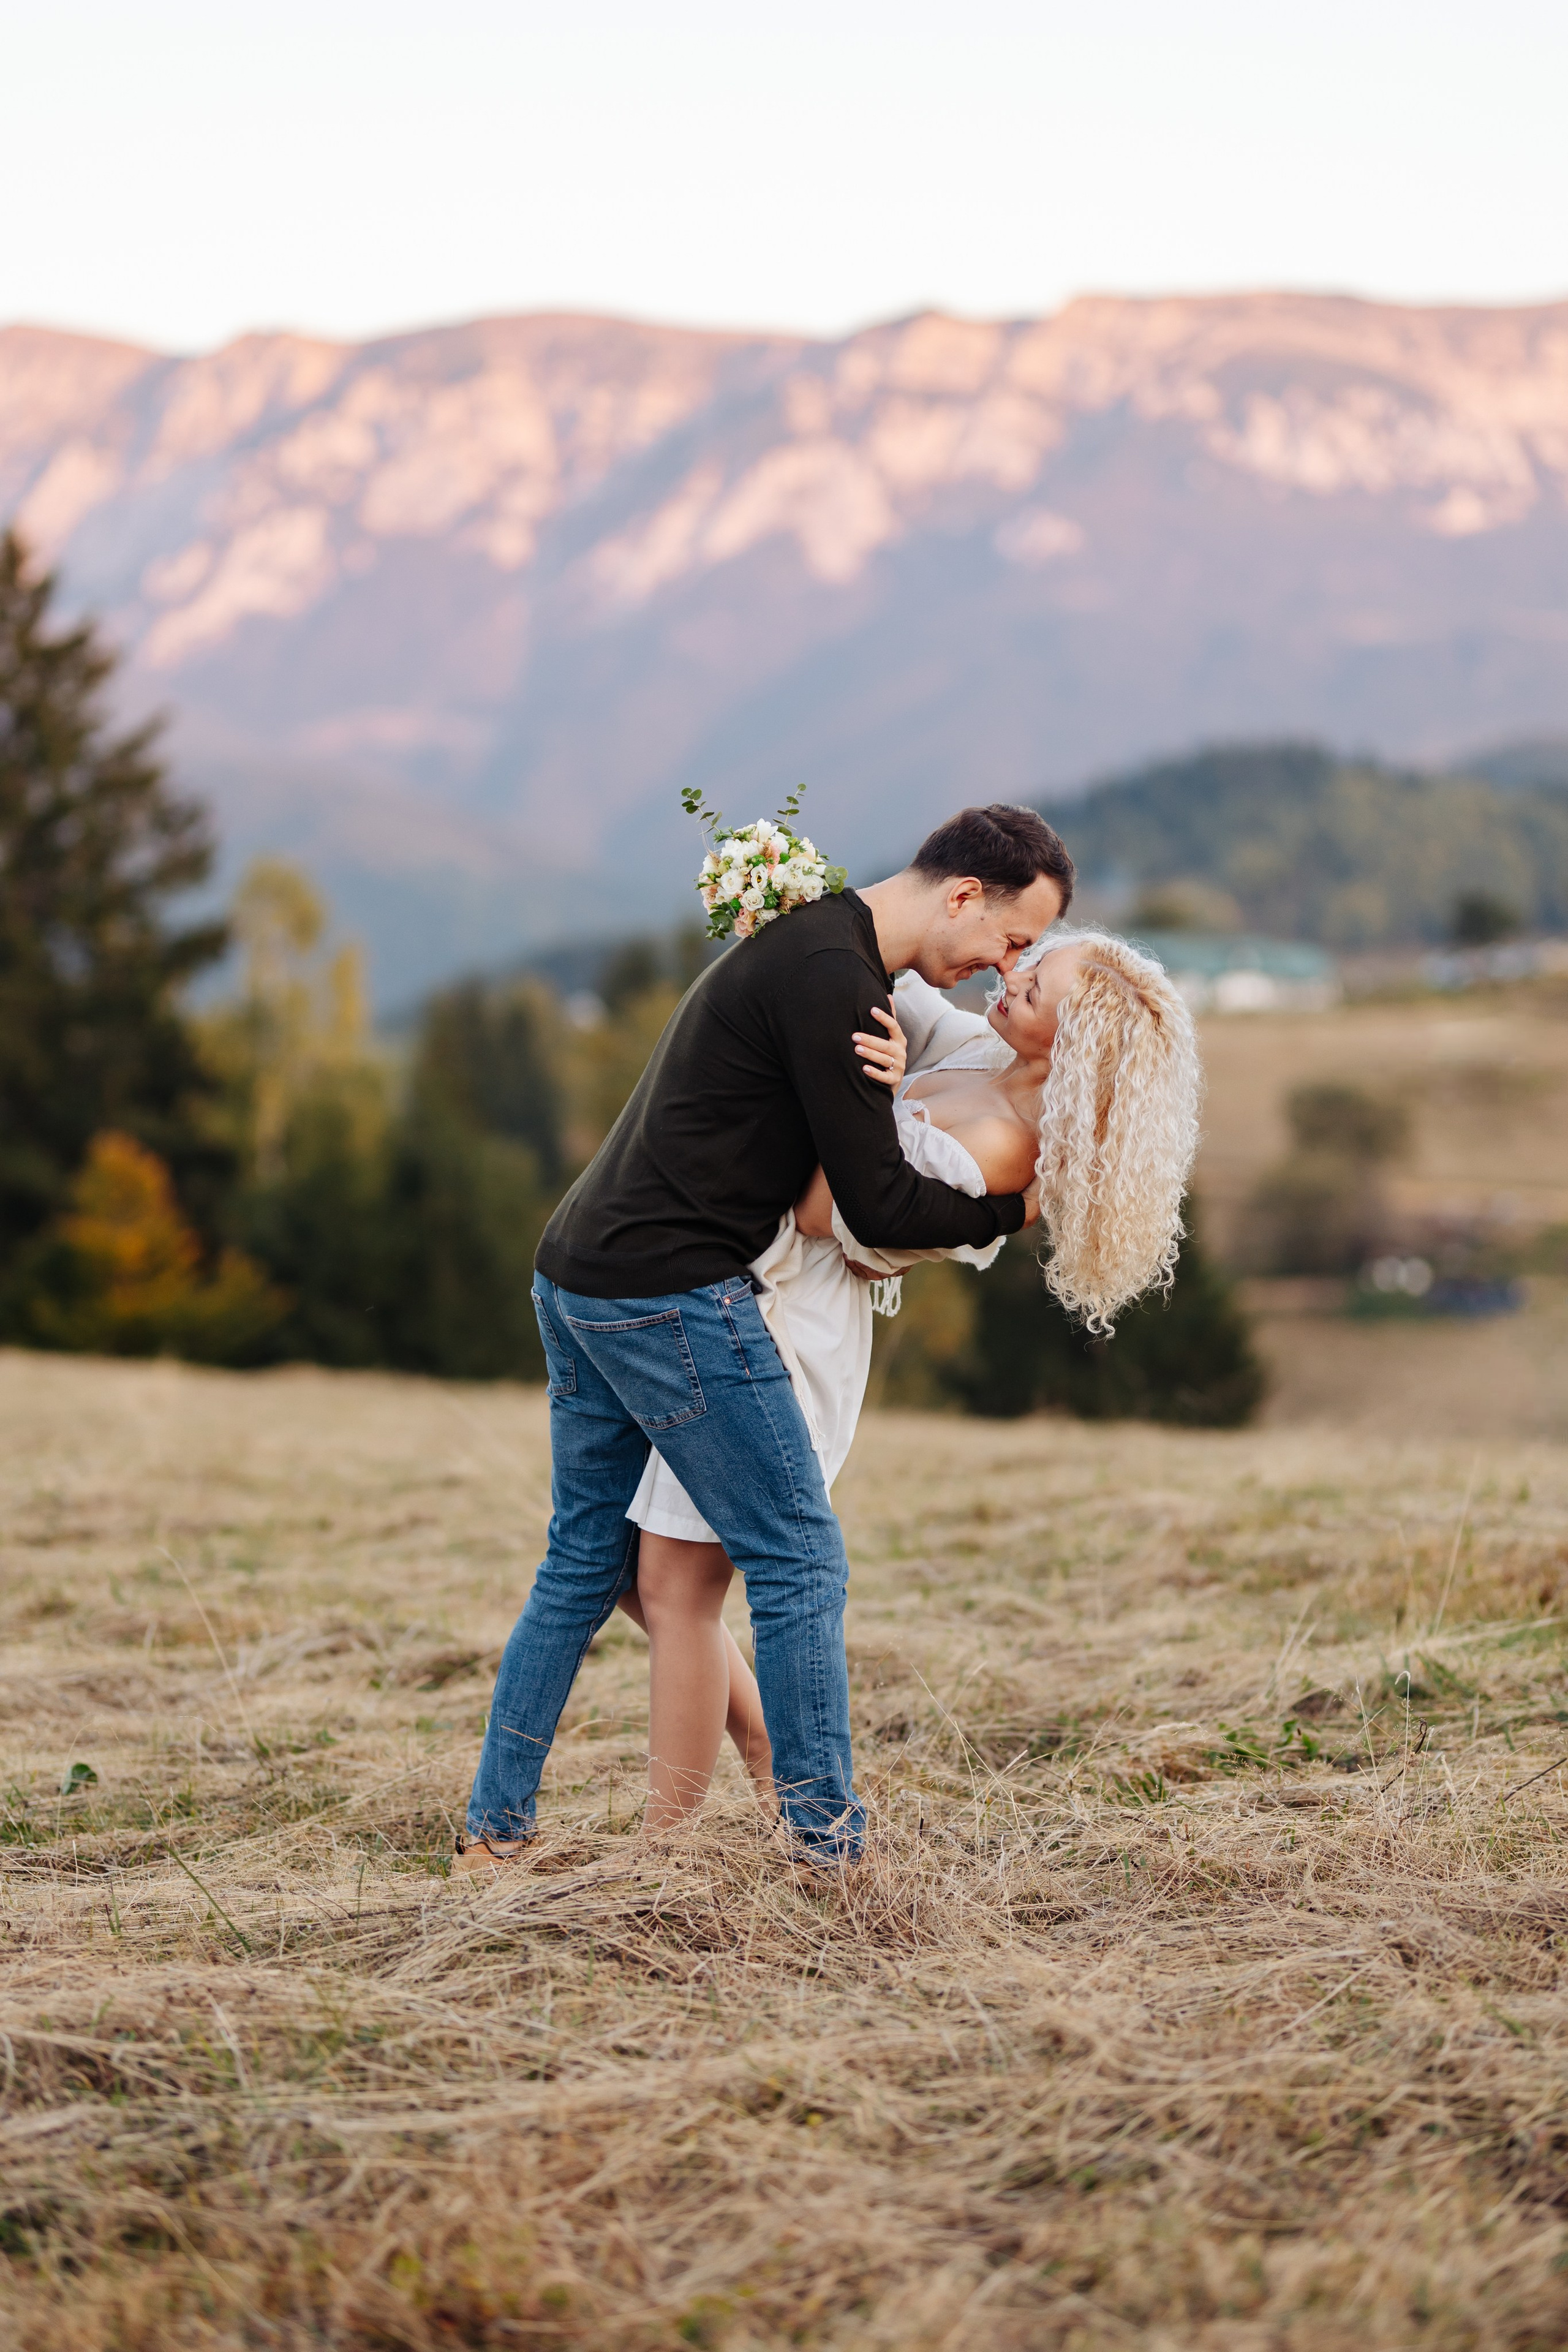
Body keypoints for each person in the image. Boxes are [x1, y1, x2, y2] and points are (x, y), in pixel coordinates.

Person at [454, 804, 1074, 1877]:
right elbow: (873, 1207)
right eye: (1011, 939)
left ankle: (495, 1835)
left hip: (579, 1268)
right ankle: (828, 1852)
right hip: (668, 1291)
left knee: (585, 1560)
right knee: (798, 1560)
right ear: (964, 895)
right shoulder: (836, 982)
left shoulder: (827, 947)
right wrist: (1010, 1212)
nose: (1005, 964)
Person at [613, 927, 1201, 1832]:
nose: (1014, 978)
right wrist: (799, 928)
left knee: (677, 1588)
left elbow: (824, 1210)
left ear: (1073, 1045)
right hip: (725, 1288)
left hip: (788, 1338)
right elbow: (883, 982)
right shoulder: (983, 1050)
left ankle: (665, 1853)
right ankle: (765, 1748)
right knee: (631, 1571)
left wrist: (866, 1089)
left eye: (1035, 986)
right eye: (1028, 962)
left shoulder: (1002, 1150)